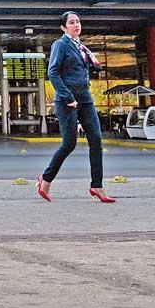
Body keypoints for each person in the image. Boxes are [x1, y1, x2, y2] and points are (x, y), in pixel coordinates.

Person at [38, 12, 115, 203]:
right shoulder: (60, 44)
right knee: (69, 143)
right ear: (63, 27)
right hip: (67, 101)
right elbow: (53, 72)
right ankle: (46, 178)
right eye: (71, 22)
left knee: (96, 140)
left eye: (78, 21)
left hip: (85, 99)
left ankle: (97, 186)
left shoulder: (80, 46)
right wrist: (67, 96)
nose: (76, 25)